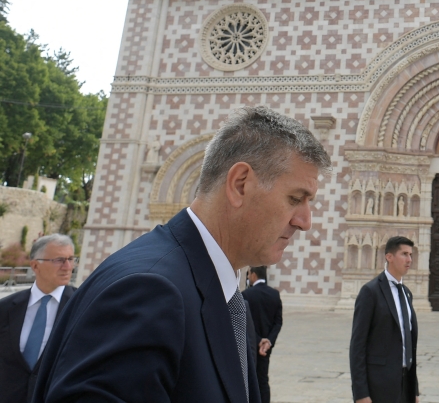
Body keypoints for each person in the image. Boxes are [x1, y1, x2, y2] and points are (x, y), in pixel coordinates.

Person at [32, 106, 331, 403]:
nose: (305, 222)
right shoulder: (149, 291)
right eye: (295, 199)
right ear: (239, 184)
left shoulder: (217, 292)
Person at [0, 234, 77, 403]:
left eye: (71, 259)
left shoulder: (82, 307)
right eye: (59, 260)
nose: (68, 266)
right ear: (35, 265)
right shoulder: (5, 308)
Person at [350, 236, 419, 403]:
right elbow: (357, 346)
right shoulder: (370, 292)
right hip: (379, 386)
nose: (409, 259)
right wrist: (361, 393)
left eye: (411, 254)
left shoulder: (407, 293)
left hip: (405, 386)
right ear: (389, 257)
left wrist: (414, 390)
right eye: (404, 254)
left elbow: (408, 344)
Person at [243, 266, 283, 403]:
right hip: (266, 348)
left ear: (254, 275)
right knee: (263, 380)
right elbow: (278, 322)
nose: (248, 277)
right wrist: (268, 341)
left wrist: (258, 340)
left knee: (249, 378)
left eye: (248, 274)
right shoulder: (274, 294)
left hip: (251, 345)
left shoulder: (246, 295)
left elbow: (246, 323)